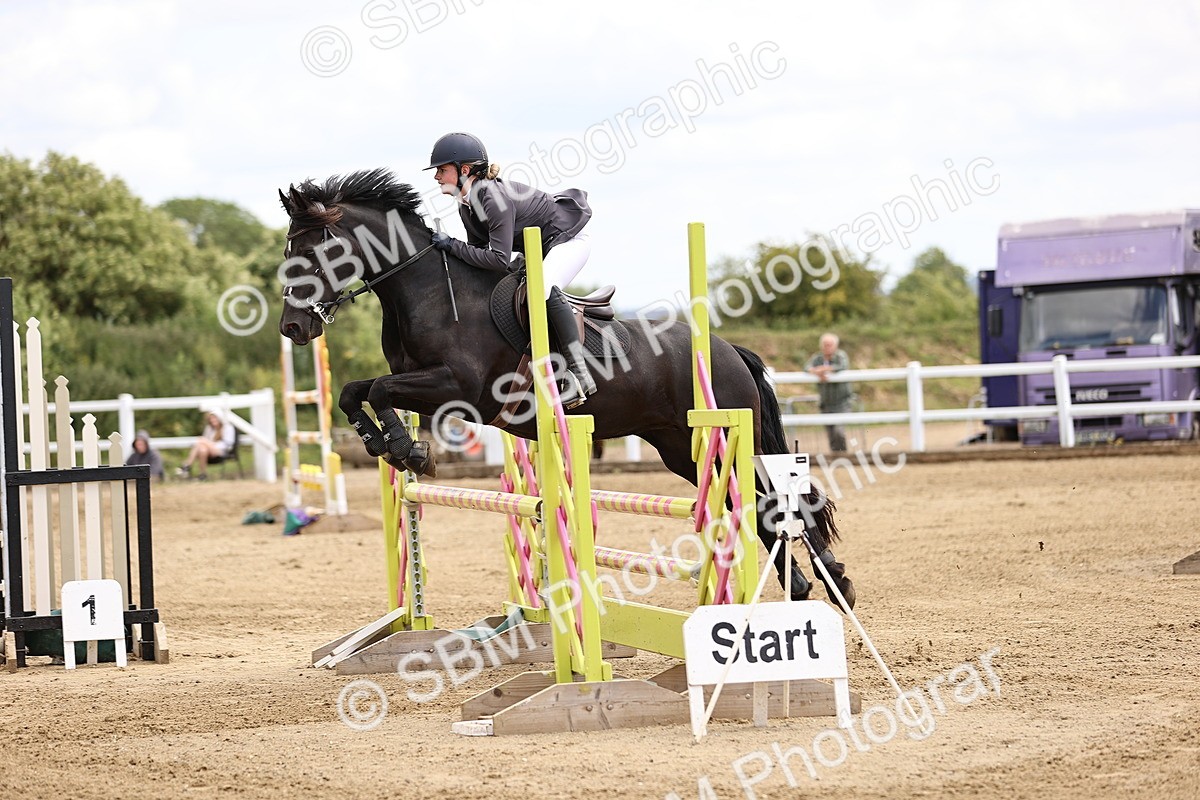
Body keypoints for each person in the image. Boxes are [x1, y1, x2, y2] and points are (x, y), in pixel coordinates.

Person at [424, 131, 597, 407]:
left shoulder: (492, 198)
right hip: (537, 249)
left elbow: (497, 260)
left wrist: (451, 245)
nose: (436, 177)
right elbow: (479, 257)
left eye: (441, 170)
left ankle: (579, 372)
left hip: (568, 241)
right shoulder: (466, 205)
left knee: (542, 288)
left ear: (464, 170)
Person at [806, 333, 855, 453]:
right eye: (825, 345)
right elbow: (806, 367)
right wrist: (815, 371)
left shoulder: (840, 356)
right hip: (826, 402)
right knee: (831, 433)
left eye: (830, 345)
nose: (827, 347)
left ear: (835, 346)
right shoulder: (817, 358)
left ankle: (842, 454)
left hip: (842, 402)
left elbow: (843, 366)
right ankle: (835, 456)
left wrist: (824, 369)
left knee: (839, 431)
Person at [177, 411, 235, 479]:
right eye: (211, 419)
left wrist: (213, 445)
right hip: (208, 451)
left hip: (222, 451)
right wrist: (209, 444)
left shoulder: (227, 427)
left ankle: (187, 465)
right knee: (202, 449)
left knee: (201, 440)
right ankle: (202, 474)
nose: (213, 420)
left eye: (214, 418)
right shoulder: (209, 428)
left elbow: (228, 444)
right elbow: (204, 443)